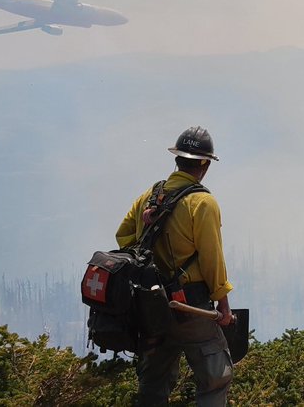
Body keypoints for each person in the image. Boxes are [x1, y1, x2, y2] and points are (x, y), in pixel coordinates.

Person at [115, 126, 235, 407]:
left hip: (149, 306)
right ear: (204, 164)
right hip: (190, 305)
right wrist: (224, 307)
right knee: (215, 377)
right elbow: (211, 259)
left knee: (154, 384)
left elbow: (123, 240)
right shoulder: (202, 203)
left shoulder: (149, 196)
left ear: (177, 160)